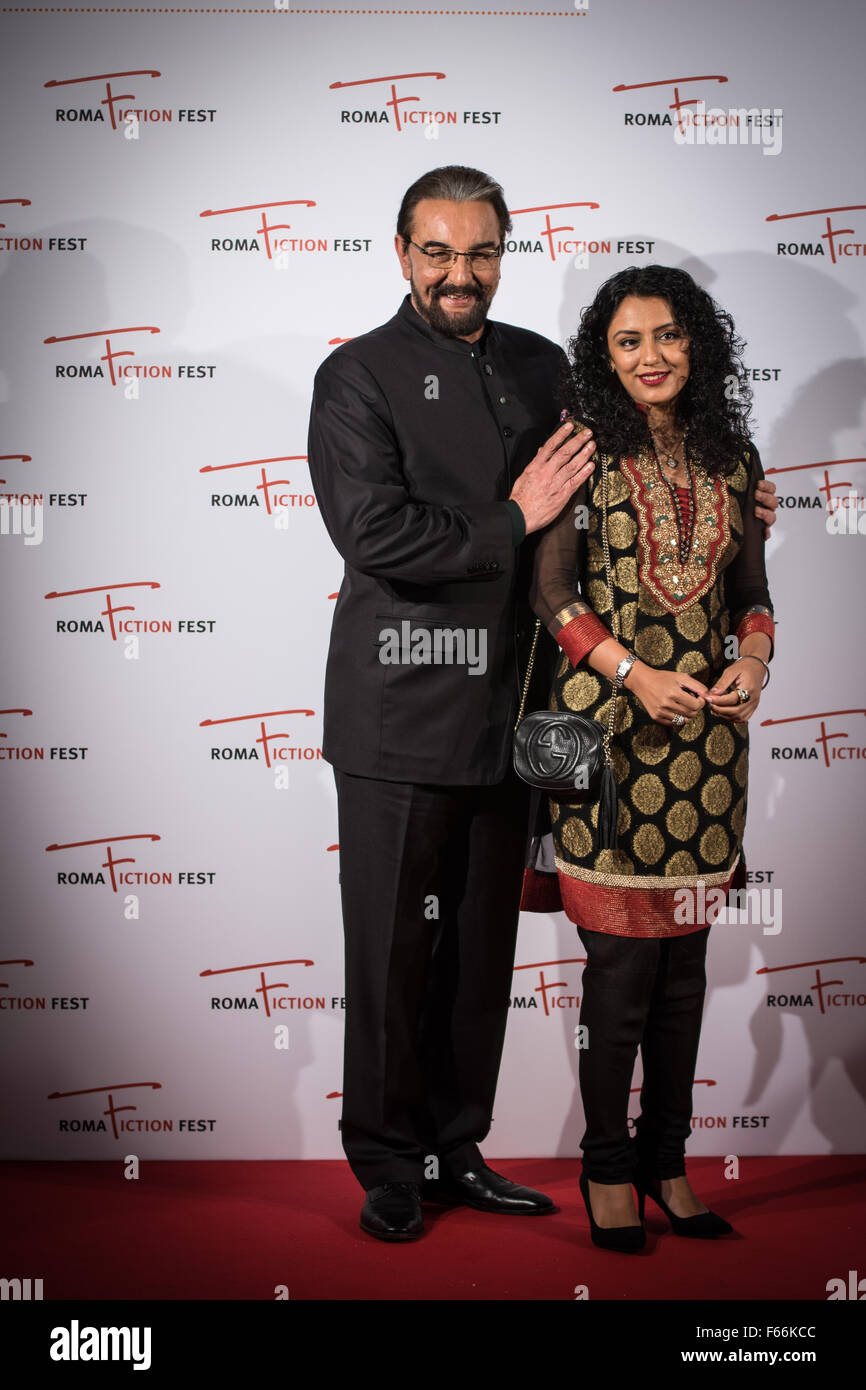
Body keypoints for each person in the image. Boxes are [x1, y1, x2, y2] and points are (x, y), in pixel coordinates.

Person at [307, 170, 779, 1243]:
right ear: (400, 254)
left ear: (502, 252)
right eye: (437, 253)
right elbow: (374, 535)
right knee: (390, 956)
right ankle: (386, 1162)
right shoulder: (355, 378)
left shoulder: (535, 364)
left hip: (523, 717)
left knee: (477, 957)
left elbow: (639, 439)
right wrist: (511, 515)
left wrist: (741, 495)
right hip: (397, 714)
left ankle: (453, 1146)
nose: (458, 274)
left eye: (479, 253)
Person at [525, 265, 774, 1252]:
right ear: (603, 355)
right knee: (618, 981)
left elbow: (747, 592)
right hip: (609, 743)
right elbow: (552, 597)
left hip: (708, 753)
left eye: (667, 336)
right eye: (627, 341)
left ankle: (670, 1163)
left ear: (696, 346)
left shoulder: (731, 459)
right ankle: (606, 1168)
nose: (650, 356)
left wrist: (752, 655)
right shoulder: (578, 456)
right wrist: (632, 673)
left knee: (683, 980)